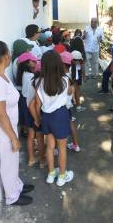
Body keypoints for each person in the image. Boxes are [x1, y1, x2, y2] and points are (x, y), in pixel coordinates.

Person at [0, 41, 33, 206]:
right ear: (5, 56)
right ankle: (12, 196)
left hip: (7, 127)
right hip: (2, 129)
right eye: (9, 53)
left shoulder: (0, 74)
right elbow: (1, 114)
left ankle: (16, 186)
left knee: (12, 160)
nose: (11, 55)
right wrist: (13, 137)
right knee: (8, 162)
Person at [35, 51, 74, 186]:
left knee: (50, 147)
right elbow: (70, 92)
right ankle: (62, 176)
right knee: (62, 148)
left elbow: (37, 104)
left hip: (47, 116)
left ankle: (51, 174)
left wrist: (39, 118)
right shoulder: (65, 80)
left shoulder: (39, 81)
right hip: (61, 115)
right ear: (59, 64)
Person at [16, 52, 45, 168]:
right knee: (39, 136)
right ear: (27, 63)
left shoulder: (23, 74)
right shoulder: (33, 79)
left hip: (26, 107)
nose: (35, 62)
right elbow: (33, 103)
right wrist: (37, 118)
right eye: (33, 61)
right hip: (32, 110)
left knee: (30, 135)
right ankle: (42, 160)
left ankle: (31, 159)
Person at [60, 51, 81, 152]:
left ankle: (57, 148)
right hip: (69, 103)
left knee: (59, 127)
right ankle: (76, 145)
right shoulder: (73, 71)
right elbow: (74, 87)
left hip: (61, 104)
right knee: (71, 123)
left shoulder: (61, 76)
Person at [12, 39, 33, 129]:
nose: (29, 51)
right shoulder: (21, 62)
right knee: (27, 113)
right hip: (23, 91)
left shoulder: (17, 60)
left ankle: (26, 130)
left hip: (20, 89)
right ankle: (28, 132)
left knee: (23, 113)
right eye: (27, 49)